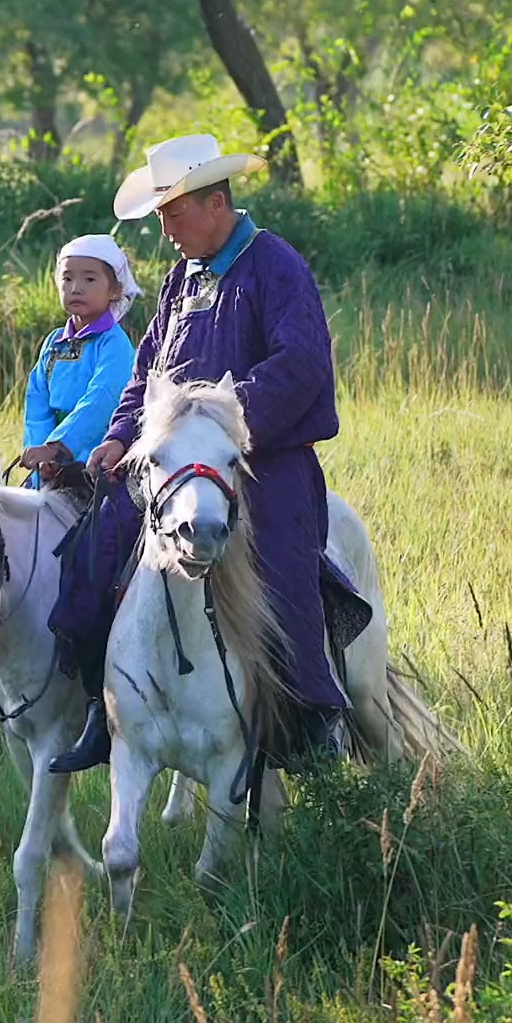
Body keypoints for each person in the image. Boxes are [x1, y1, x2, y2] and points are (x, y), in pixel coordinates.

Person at [48, 133, 347, 775]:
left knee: (287, 578)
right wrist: (120, 436)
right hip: (169, 471)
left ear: (215, 203)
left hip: (265, 463)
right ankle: (108, 708)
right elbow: (147, 371)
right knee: (93, 554)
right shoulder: (183, 278)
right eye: (159, 218)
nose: (165, 232)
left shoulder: (277, 265)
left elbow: (301, 367)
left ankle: (315, 726)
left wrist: (220, 423)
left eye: (172, 215)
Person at [20, 235, 139, 483]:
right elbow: (37, 405)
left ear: (115, 289)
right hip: (50, 465)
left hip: (97, 462)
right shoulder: (54, 343)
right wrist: (41, 454)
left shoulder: (113, 343)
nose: (76, 287)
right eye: (67, 278)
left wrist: (59, 447)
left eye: (90, 279)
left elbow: (102, 399)